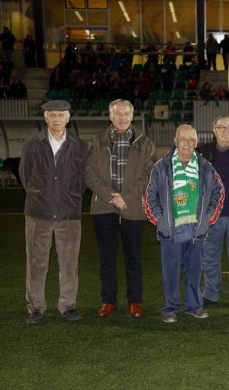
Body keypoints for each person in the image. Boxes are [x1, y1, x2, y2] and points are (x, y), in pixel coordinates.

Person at [144, 124, 224, 323]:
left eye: (191, 140)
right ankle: (170, 307)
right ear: (175, 141)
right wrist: (161, 221)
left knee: (195, 271)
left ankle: (194, 306)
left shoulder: (205, 167)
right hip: (171, 230)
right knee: (170, 272)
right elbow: (149, 196)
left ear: (196, 142)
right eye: (183, 139)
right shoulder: (161, 167)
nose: (187, 143)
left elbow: (218, 192)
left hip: (196, 229)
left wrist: (208, 219)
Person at [19, 100, 89, 325]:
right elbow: (25, 174)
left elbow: (83, 180)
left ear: (68, 118)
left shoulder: (80, 146)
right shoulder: (32, 144)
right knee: (36, 263)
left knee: (69, 263)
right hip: (38, 213)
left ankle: (67, 305)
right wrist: (40, 194)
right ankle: (36, 307)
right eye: (52, 115)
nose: (56, 119)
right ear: (46, 118)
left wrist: (70, 196)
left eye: (61, 115)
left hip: (69, 215)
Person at [85, 99, 156, 319]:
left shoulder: (145, 143)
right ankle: (109, 301)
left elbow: (148, 174)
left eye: (126, 114)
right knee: (107, 259)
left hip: (132, 207)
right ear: (110, 116)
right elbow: (89, 173)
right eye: (118, 114)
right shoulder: (98, 141)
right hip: (103, 207)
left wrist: (125, 197)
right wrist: (111, 197)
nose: (122, 118)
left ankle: (134, 301)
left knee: (133, 258)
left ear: (132, 116)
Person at [197, 115, 229, 309]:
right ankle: (210, 293)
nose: (225, 130)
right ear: (214, 130)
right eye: (221, 127)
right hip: (211, 216)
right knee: (209, 257)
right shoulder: (202, 153)